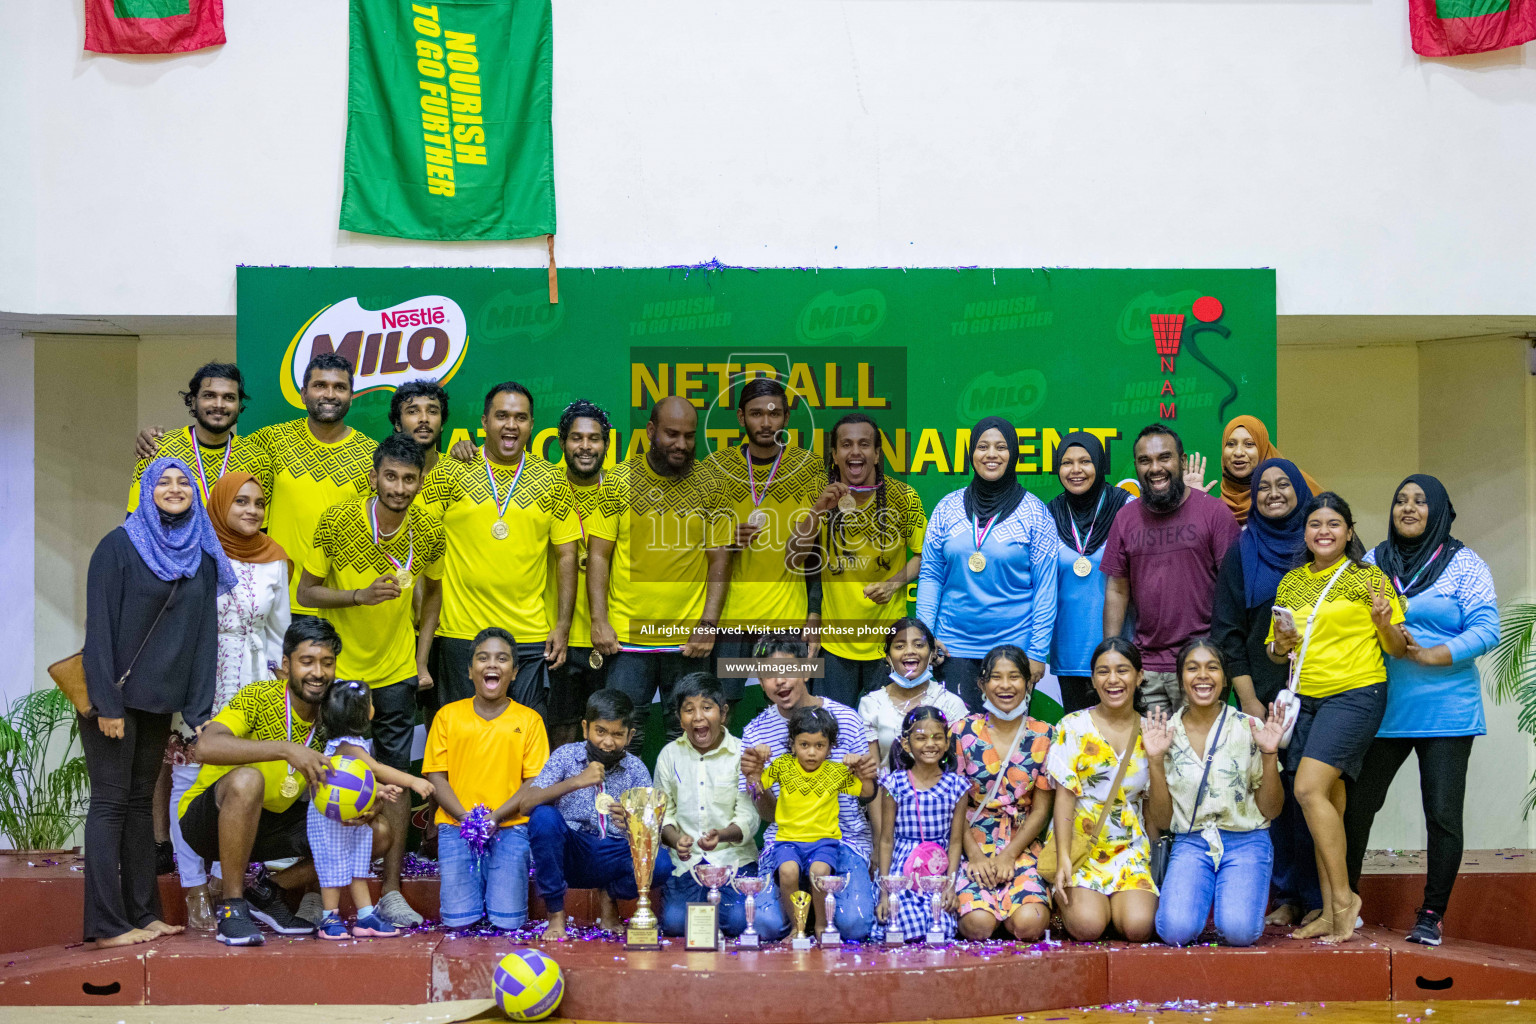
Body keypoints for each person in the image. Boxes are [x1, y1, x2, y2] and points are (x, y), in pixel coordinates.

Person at [297, 432, 446, 929]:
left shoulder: (427, 528)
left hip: (397, 673)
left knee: (397, 781)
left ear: (420, 481)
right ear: (374, 476)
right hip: (339, 678)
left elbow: (434, 599)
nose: (400, 488)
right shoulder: (338, 520)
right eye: (391, 476)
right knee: (321, 777)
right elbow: (308, 591)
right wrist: (358, 597)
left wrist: (421, 662)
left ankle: (391, 891)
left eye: (409, 479)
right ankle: (324, 890)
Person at [82, 458, 231, 948]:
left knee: (140, 806)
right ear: (147, 490)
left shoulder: (201, 554)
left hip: (158, 703)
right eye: (162, 481)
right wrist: (106, 705)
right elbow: (99, 632)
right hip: (115, 702)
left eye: (183, 481)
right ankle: (106, 926)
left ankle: (142, 916)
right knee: (109, 805)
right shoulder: (119, 546)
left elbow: (202, 637)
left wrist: (197, 711)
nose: (174, 488)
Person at [1346, 475, 1499, 946]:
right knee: (1356, 808)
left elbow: (1487, 628)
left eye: (1419, 502)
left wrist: (1434, 654)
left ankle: (1431, 914)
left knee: (1442, 815)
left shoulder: (1465, 564)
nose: (1408, 508)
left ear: (1438, 510)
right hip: (1384, 709)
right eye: (1400, 501)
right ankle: (1344, 900)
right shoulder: (1373, 561)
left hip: (1448, 713)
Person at [178, 619, 382, 946]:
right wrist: (287, 751)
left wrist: (371, 805)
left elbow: (360, 771)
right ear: (286, 666)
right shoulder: (259, 696)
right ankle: (232, 908)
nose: (318, 672)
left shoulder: (334, 714)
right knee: (248, 780)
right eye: (307, 662)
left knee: (378, 832)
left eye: (327, 663)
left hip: (271, 824)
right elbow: (205, 747)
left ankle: (266, 890)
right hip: (211, 820)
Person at [133, 354, 377, 618]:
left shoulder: (372, 455)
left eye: (339, 387)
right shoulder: (269, 442)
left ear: (352, 395)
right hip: (274, 596)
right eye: (320, 386)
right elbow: (217, 441)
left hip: (342, 600)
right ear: (304, 393)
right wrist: (151, 439)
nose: (329, 394)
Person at [1267, 492, 1406, 944]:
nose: (1323, 532)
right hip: (1307, 699)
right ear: (1304, 533)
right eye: (1315, 525)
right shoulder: (1292, 582)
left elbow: (1397, 647)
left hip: (1356, 693)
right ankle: (1329, 910)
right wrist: (1283, 642)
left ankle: (1345, 901)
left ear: (1348, 531)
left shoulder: (1369, 578)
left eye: (1333, 524)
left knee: (1307, 789)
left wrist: (1384, 622)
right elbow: (1275, 651)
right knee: (1332, 801)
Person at [164, 471, 292, 933]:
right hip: (203, 675)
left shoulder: (276, 559)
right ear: (219, 504)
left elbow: (280, 631)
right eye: (240, 502)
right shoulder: (195, 553)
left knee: (244, 781)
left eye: (259, 504)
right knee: (189, 780)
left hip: (254, 680)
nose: (251, 511)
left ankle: (223, 883)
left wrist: (281, 688)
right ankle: (194, 887)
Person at [418, 382, 580, 718]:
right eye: (501, 416)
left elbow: (566, 555)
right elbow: (417, 541)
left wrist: (562, 625)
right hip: (460, 632)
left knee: (526, 743)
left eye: (520, 417)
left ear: (532, 424)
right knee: (460, 740)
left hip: (529, 637)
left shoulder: (552, 480)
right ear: (484, 421)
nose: (511, 425)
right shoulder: (450, 471)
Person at [1209, 458, 1321, 928]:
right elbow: (1228, 631)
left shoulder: (1321, 544)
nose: (1273, 493)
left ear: (1301, 490)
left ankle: (1323, 897)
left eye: (1283, 485)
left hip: (1321, 692)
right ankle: (1288, 895)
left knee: (1310, 792)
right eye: (1263, 488)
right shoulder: (1243, 549)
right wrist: (1249, 701)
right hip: (1260, 691)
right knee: (1271, 793)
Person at [587, 397, 732, 748]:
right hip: (627, 640)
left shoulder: (712, 484)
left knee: (689, 740)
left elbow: (720, 560)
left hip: (688, 643)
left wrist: (708, 625)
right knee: (619, 740)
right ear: (651, 431)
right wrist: (599, 620)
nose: (681, 444)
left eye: (688, 436)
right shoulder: (619, 480)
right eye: (671, 434)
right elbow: (599, 555)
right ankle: (621, 806)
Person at [1146, 639, 1285, 948]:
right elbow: (1162, 819)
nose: (1202, 676)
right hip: (1191, 843)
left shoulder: (1249, 727)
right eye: (1192, 668)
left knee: (1239, 932)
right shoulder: (1166, 733)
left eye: (1212, 668)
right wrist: (1155, 760)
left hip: (1246, 841)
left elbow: (1272, 810)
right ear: (1181, 677)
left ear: (1224, 677)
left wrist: (1269, 754)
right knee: (1175, 932)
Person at [738, 637, 879, 941]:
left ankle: (820, 909)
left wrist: (865, 775)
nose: (779, 681)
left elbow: (866, 795)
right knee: (765, 926)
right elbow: (768, 814)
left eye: (787, 670)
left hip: (842, 839)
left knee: (855, 926)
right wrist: (755, 780)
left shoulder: (847, 719)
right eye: (767, 675)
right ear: (760, 683)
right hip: (786, 839)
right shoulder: (755, 732)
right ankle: (802, 913)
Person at [917, 416, 1058, 712]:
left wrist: (1036, 653)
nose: (991, 454)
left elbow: (1046, 588)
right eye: (982, 446)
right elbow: (930, 574)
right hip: (950, 649)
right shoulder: (947, 508)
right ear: (971, 453)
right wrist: (925, 638)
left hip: (1013, 650)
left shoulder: (1036, 513)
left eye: (1001, 447)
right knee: (955, 740)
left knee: (1007, 744)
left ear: (1014, 454)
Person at [788, 412, 927, 706]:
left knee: (889, 736)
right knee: (833, 736)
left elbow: (923, 555)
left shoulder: (904, 497)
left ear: (876, 454)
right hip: (835, 646)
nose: (855, 452)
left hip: (889, 646)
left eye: (864, 445)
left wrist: (892, 584)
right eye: (846, 445)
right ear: (835, 454)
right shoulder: (816, 495)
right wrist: (819, 509)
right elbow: (794, 557)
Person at [1102, 424, 1240, 714]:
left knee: (1199, 757)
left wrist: (1224, 658)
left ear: (1181, 460)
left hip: (1200, 665)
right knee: (1150, 757)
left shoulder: (1214, 513)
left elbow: (1233, 592)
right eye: (1145, 461)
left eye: (1164, 458)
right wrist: (1112, 655)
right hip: (1146, 668)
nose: (1155, 468)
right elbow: (1117, 589)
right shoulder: (1125, 518)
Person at [705, 378, 826, 700]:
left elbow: (818, 554)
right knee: (722, 708)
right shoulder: (716, 468)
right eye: (756, 414)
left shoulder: (809, 467)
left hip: (789, 621)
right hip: (730, 623)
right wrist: (726, 540)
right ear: (741, 417)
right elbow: (692, 547)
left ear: (786, 417)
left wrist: (814, 614)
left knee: (792, 711)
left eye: (774, 414)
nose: (766, 422)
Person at [423, 627, 550, 932]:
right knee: (458, 923)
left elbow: (533, 783)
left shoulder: (529, 720)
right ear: (470, 671)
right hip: (457, 829)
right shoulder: (447, 716)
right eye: (483, 658)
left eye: (502, 659)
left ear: (515, 672)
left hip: (509, 828)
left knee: (509, 924)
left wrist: (495, 818)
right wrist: (467, 819)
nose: (492, 665)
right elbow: (436, 777)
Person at [522, 689, 669, 941]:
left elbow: (650, 832)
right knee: (543, 818)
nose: (607, 742)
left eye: (617, 734)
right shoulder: (566, 756)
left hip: (612, 852)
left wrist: (633, 823)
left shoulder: (636, 769)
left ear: (630, 735)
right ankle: (556, 915)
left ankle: (609, 895)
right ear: (585, 728)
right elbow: (527, 804)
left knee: (661, 864)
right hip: (570, 851)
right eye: (600, 731)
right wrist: (576, 781)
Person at [1047, 637, 1158, 942]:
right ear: (1093, 679)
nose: (1113, 680)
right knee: (1088, 927)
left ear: (1139, 676)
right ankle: (1087, 905)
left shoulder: (1152, 731)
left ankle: (1113, 907)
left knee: (1138, 927)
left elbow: (1155, 811)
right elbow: (1065, 798)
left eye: (1122, 670)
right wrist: (1064, 859)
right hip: (1081, 846)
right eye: (1103, 671)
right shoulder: (1072, 726)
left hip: (1129, 847)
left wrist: (1158, 759)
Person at [307, 679, 435, 940]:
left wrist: (378, 791)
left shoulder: (348, 745)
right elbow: (375, 770)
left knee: (357, 867)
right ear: (369, 714)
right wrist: (412, 780)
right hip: (331, 819)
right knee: (332, 866)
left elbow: (353, 782)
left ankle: (365, 916)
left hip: (351, 817)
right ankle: (329, 917)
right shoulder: (350, 747)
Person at [952, 645, 1056, 941]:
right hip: (972, 841)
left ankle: (1010, 910)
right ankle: (991, 910)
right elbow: (955, 805)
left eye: (1014, 677)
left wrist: (1010, 855)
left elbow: (1040, 809)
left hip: (1021, 845)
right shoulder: (962, 732)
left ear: (1028, 683)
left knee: (1030, 924)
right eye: (996, 677)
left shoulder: (1046, 735)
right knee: (978, 925)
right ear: (982, 684)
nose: (1006, 686)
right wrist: (974, 856)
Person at [656, 673, 761, 937]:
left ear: (723, 713)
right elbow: (663, 813)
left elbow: (749, 815)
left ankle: (712, 909)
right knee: (675, 924)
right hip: (686, 862)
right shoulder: (669, 755)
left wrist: (722, 835)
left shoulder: (741, 753)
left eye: (707, 708)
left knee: (739, 922)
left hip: (732, 860)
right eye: (689, 710)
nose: (698, 718)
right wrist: (676, 838)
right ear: (680, 718)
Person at [1046, 431, 1134, 713]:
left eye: (1085, 461)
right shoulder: (1048, 514)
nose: (1075, 470)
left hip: (1120, 650)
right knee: (1081, 743)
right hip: (1069, 651)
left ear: (1100, 463)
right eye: (1066, 462)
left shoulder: (1127, 508)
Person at [544, 399, 614, 748]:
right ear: (561, 442)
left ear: (607, 443)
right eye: (576, 438)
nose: (585, 446)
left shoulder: (619, 491)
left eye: (594, 438)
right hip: (557, 637)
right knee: (561, 732)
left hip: (611, 638)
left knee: (609, 735)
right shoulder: (543, 487)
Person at [873, 707, 968, 943]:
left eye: (937, 737)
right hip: (902, 867)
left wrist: (951, 886)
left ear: (947, 743)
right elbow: (886, 840)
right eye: (921, 738)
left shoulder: (957, 786)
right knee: (903, 922)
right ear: (906, 744)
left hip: (939, 867)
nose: (930, 744)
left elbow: (956, 842)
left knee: (941, 926)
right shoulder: (893, 784)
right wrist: (885, 891)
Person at [127, 362, 272, 510]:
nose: (219, 404)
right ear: (194, 401)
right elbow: (136, 522)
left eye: (229, 397)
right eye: (209, 395)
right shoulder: (157, 450)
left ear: (239, 404)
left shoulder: (257, 459)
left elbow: (259, 529)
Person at [858, 617, 966, 765]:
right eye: (900, 646)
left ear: (932, 653)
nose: (910, 651)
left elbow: (958, 766)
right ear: (888, 658)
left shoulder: (951, 704)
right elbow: (873, 771)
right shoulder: (871, 704)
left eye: (919, 645)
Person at [1185, 415, 1322, 528]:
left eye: (1249, 444)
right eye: (1231, 444)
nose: (1238, 452)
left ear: (1263, 449)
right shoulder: (1218, 508)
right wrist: (1191, 507)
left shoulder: (1296, 486)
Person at [389, 380, 451, 479]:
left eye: (432, 411)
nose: (424, 419)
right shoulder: (384, 474)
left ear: (442, 424)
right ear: (398, 424)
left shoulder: (455, 470)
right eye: (413, 411)